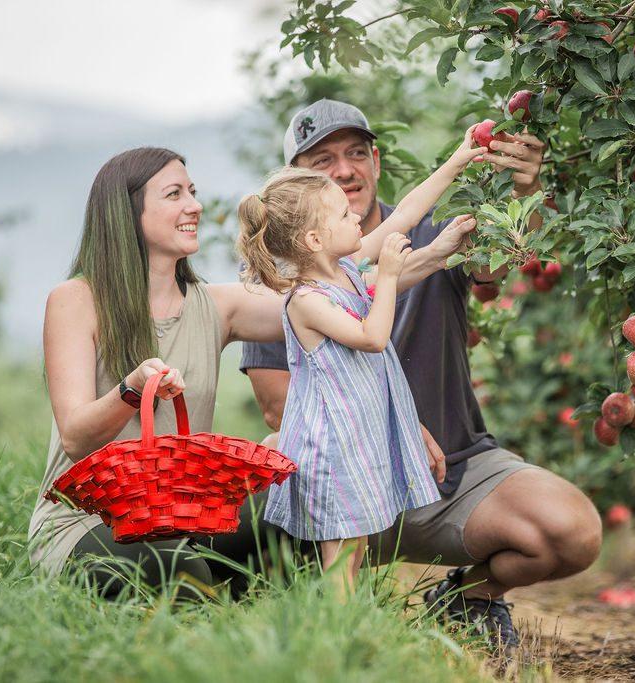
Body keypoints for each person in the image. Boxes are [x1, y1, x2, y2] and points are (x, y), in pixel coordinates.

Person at [28, 146, 480, 597]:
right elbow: (76, 437)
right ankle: (208, 596)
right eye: (174, 194)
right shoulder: (76, 300)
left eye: (193, 191)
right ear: (126, 212)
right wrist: (131, 387)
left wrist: (440, 247)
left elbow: (342, 288)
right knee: (177, 574)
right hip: (87, 523)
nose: (195, 205)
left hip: (184, 517)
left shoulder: (217, 306)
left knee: (302, 506)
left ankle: (313, 620)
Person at [239, 100, 603, 646]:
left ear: (377, 160)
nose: (344, 174)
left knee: (570, 528)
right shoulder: (298, 291)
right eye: (322, 164)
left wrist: (470, 170)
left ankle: (461, 600)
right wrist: (402, 424)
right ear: (307, 221)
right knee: (302, 499)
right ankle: (329, 627)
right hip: (350, 463)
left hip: (446, 477)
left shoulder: (350, 262)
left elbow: (427, 227)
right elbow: (364, 340)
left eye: (356, 154)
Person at [235, 128, 484, 594]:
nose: (357, 217)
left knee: (354, 547)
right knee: (343, 555)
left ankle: (347, 627)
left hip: (357, 441)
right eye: (343, 214)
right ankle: (340, 635)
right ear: (313, 238)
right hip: (333, 451)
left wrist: (457, 162)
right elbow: (372, 338)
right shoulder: (306, 299)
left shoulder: (345, 269)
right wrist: (387, 274)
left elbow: (407, 214)